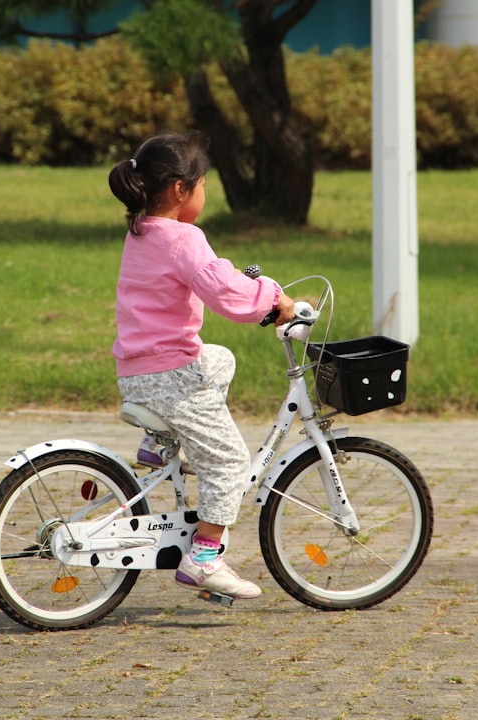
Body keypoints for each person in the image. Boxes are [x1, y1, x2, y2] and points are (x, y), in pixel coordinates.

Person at [108, 132, 295, 600]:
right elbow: (226, 293)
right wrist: (273, 298)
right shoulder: (184, 238)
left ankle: (160, 443)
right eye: (203, 185)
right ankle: (205, 557)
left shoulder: (141, 230)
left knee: (219, 357)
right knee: (230, 461)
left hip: (137, 373)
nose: (205, 194)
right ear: (180, 190)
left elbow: (216, 277)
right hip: (170, 378)